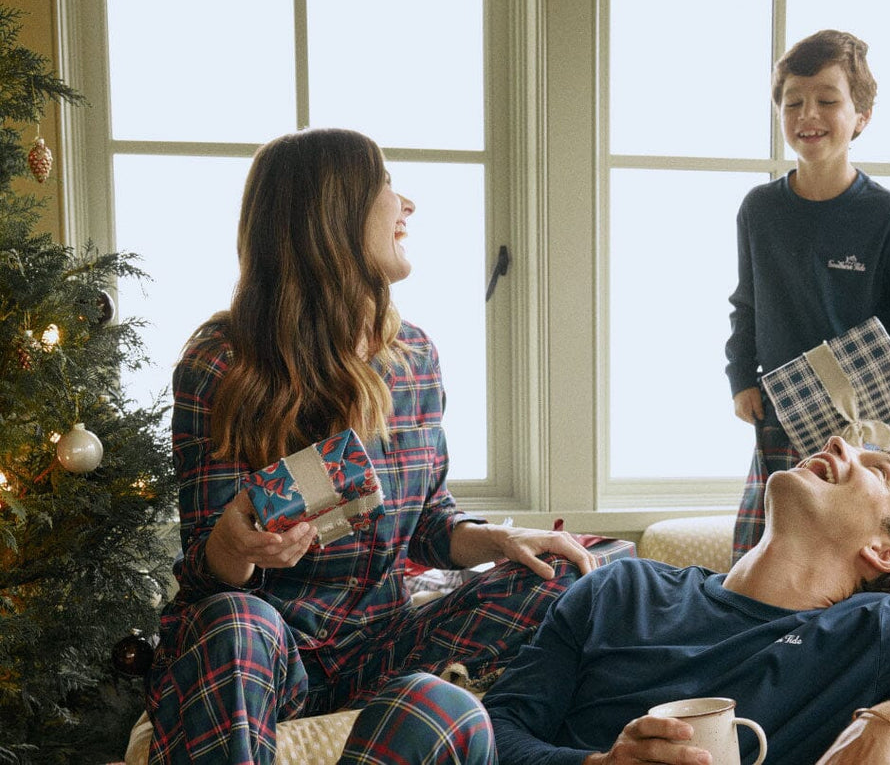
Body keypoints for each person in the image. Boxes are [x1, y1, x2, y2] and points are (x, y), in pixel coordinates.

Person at [143, 127, 598, 765]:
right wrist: (234, 544)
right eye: (386, 185)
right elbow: (204, 571)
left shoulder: (413, 356)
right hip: (266, 651)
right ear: (331, 215)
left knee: (577, 568)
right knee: (234, 621)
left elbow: (429, 523)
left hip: (384, 643)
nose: (405, 204)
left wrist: (501, 539)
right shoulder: (224, 361)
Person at [483, 436, 890, 764]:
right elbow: (493, 731)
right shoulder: (619, 587)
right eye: (845, 445)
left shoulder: (873, 634)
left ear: (883, 552)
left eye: (875, 470)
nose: (837, 447)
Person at [725, 29, 890, 564]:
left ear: (861, 116)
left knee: (841, 552)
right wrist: (739, 378)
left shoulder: (888, 216)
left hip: (857, 416)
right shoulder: (759, 210)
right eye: (793, 101)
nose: (808, 114)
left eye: (827, 100)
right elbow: (745, 305)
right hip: (779, 411)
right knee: (758, 551)